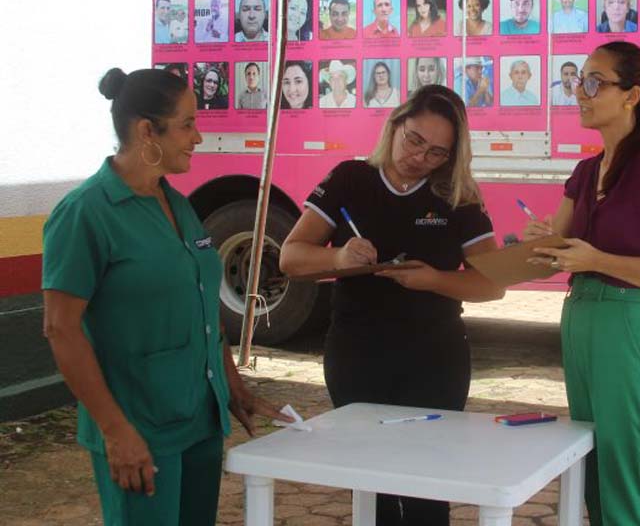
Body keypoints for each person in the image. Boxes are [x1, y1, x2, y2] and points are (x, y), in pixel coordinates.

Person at [42, 68, 291, 526]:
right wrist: (115, 431)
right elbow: (60, 327)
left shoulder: (175, 203)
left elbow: (201, 305)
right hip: (139, 426)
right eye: (187, 124)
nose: (198, 137)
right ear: (145, 131)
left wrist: (232, 385)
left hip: (199, 418)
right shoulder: (85, 213)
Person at [279, 85, 505, 526]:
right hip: (357, 353)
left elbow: (492, 286)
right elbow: (290, 258)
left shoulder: (457, 195)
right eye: (414, 140)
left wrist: (434, 280)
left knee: (428, 488)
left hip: (434, 360)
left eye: (437, 152)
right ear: (396, 124)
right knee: (372, 484)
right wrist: (338, 257)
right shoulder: (350, 178)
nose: (419, 157)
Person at [523, 41, 640, 525]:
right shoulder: (585, 171)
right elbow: (557, 253)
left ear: (632, 95)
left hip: (631, 325)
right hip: (581, 317)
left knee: (627, 483)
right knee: (595, 475)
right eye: (576, 81)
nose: (579, 93)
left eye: (593, 82)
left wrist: (596, 257)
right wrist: (541, 242)